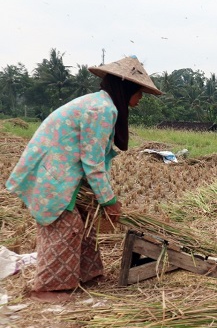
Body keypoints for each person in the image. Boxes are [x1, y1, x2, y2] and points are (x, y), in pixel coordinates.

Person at [5, 55, 162, 303]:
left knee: (87, 222)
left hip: (65, 175)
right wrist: (110, 201)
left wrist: (102, 200)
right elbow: (92, 162)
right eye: (139, 92)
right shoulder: (102, 109)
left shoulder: (101, 104)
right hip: (55, 176)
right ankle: (47, 288)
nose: (141, 98)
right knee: (67, 227)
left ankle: (88, 274)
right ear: (126, 88)